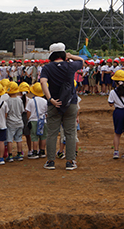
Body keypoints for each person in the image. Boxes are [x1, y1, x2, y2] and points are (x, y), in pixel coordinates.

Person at [40, 43, 84, 171]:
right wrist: (70, 56)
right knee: (70, 133)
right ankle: (70, 161)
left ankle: (50, 161)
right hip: (70, 102)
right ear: (63, 54)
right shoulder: (70, 65)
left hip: (54, 104)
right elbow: (81, 61)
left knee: (52, 134)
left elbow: (43, 82)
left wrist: (50, 99)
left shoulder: (47, 68)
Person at [26, 83, 48, 160]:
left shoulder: (31, 101)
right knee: (43, 136)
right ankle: (42, 151)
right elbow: (47, 112)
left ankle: (34, 152)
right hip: (43, 120)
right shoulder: (45, 101)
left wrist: (29, 119)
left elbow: (28, 112)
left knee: (34, 137)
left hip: (34, 120)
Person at [4, 82, 24, 162]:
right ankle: (19, 154)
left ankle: (10, 155)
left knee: (9, 139)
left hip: (10, 122)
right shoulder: (19, 100)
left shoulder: (7, 101)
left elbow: (6, 112)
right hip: (19, 122)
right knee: (19, 139)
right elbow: (22, 111)